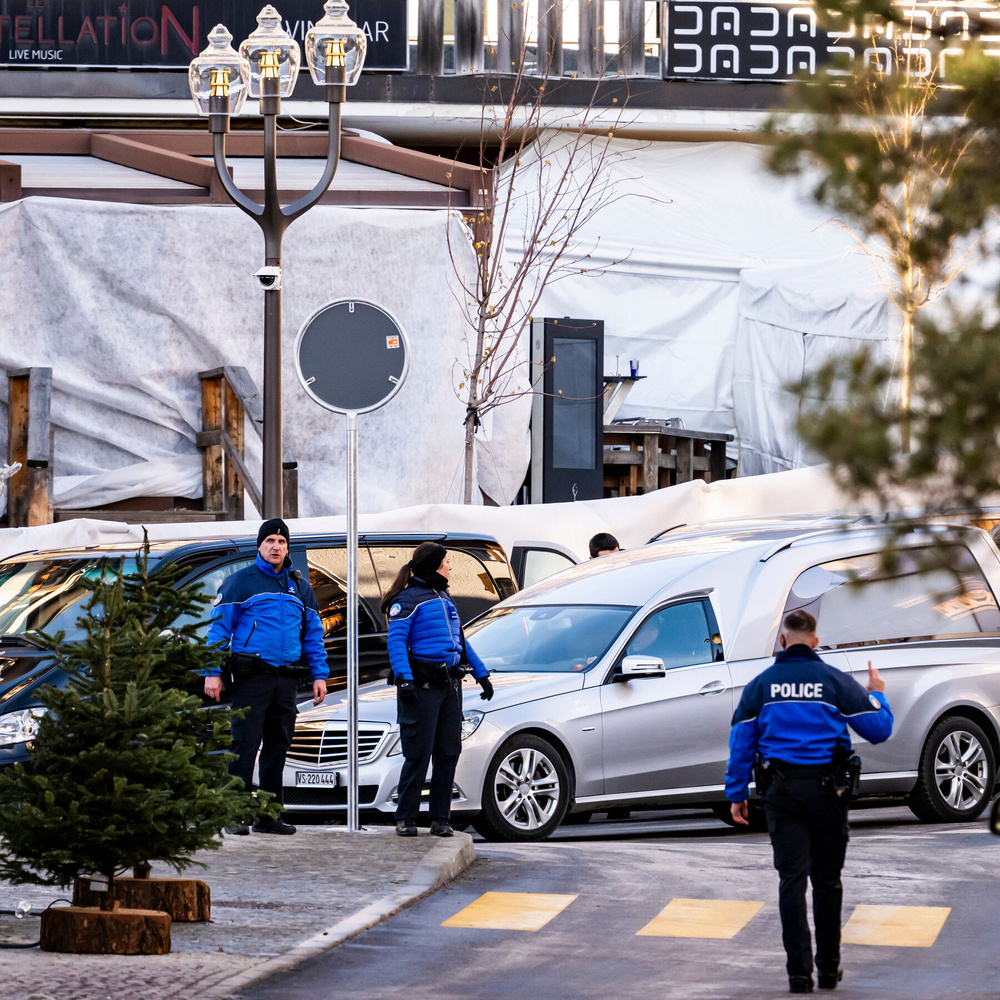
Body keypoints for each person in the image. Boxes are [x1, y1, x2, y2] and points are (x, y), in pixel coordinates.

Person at [725, 609, 893, 994]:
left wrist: (736, 794)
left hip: (781, 795)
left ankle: (798, 974)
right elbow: (880, 729)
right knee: (828, 882)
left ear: (782, 641)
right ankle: (830, 969)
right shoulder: (835, 682)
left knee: (791, 881)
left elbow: (740, 745)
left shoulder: (760, 686)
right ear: (815, 642)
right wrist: (878, 691)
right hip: (828, 794)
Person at [205, 518, 328, 836]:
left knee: (278, 745)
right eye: (270, 540)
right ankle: (235, 813)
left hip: (286, 679)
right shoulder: (240, 581)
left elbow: (313, 633)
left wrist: (320, 675)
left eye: (282, 541)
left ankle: (269, 816)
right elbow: (218, 630)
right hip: (252, 678)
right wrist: (212, 673)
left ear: (288, 547)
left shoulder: (299, 585)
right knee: (244, 744)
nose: (276, 546)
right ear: (259, 545)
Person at [381, 541, 493, 838]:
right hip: (422, 686)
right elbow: (396, 642)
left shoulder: (444, 597)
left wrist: (482, 675)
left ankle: (440, 819)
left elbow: (462, 642)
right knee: (417, 754)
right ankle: (406, 817)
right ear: (433, 566)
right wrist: (405, 679)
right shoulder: (407, 600)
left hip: (449, 686)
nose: (450, 567)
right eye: (446, 562)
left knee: (447, 753)